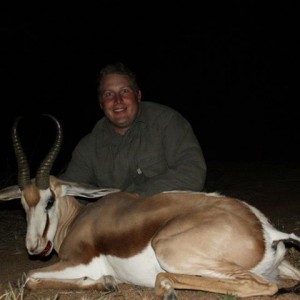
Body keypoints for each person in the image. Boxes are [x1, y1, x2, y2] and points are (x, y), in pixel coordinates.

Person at [60, 62, 207, 197]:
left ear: (138, 96)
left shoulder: (166, 121)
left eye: (124, 91)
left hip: (174, 213)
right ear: (101, 103)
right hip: (122, 223)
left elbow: (193, 172)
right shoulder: (89, 147)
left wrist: (133, 198)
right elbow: (67, 191)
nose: (118, 100)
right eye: (109, 94)